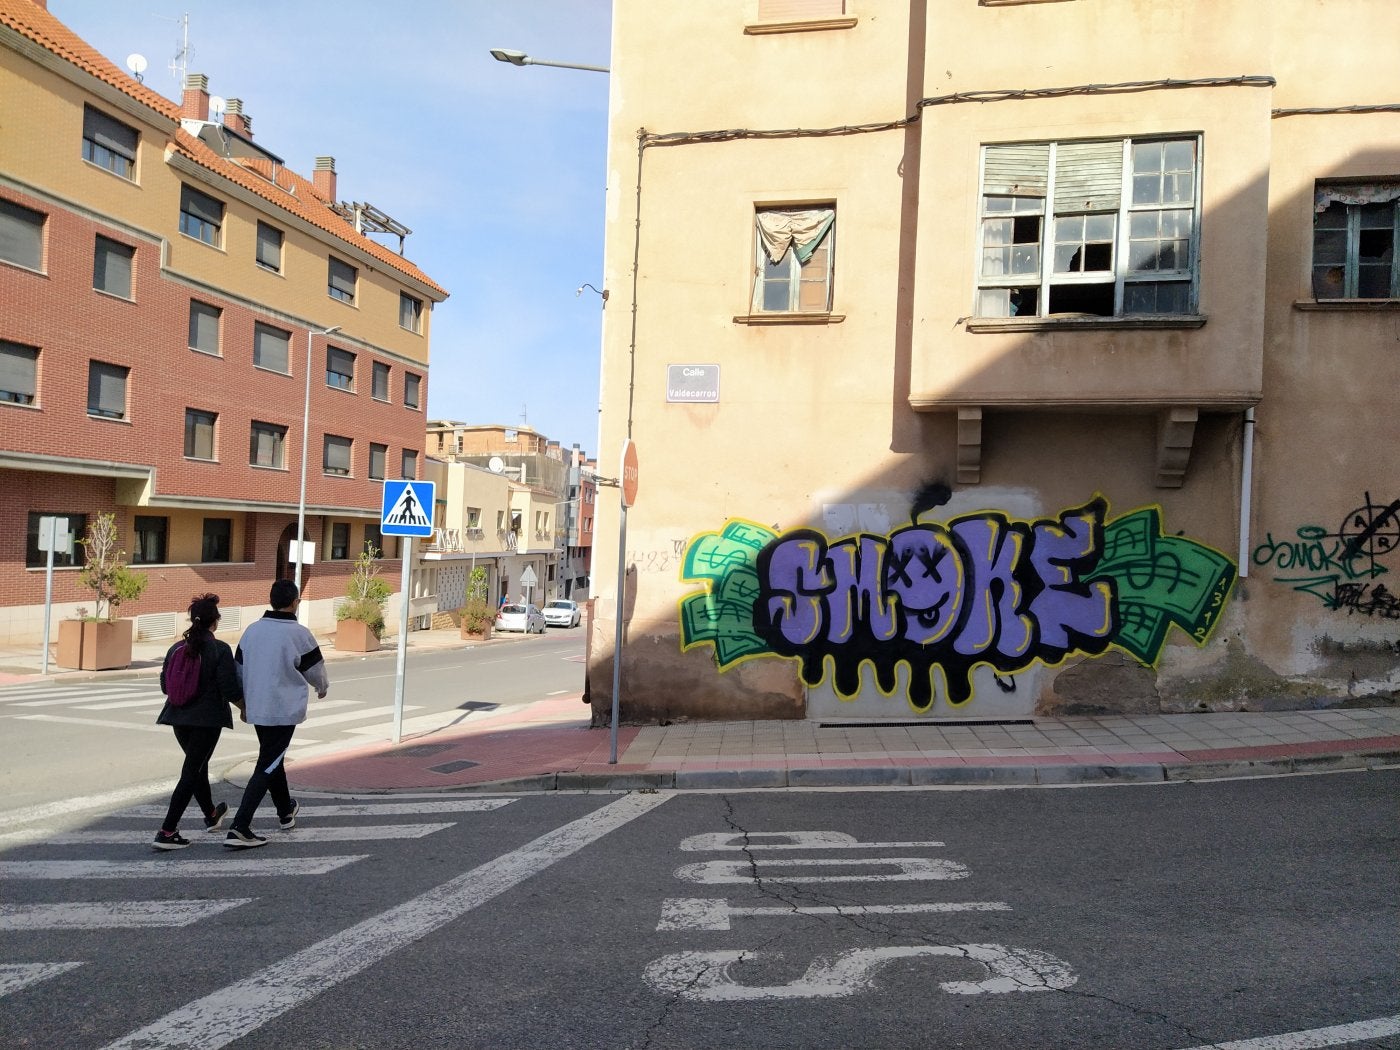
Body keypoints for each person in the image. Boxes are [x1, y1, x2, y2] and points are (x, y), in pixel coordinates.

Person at [225, 579, 328, 849]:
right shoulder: (299, 633)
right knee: (268, 763)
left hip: (258, 708)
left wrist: (243, 702)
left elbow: (238, 669)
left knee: (273, 758)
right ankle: (240, 825)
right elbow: (315, 669)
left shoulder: (252, 631)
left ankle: (285, 811)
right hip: (284, 709)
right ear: (294, 602)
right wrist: (321, 687)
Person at [153, 593, 243, 850]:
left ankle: (212, 814)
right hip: (207, 719)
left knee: (197, 766)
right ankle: (167, 831)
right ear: (215, 622)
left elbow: (164, 686)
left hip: (178, 716)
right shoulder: (220, 649)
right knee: (191, 771)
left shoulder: (175, 648)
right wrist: (245, 709)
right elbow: (229, 688)